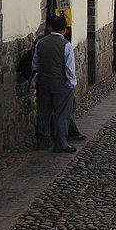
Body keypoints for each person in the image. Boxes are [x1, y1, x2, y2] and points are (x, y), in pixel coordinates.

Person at [32, 15, 77, 153]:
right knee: (61, 114)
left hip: (44, 81)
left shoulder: (40, 43)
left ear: (50, 27)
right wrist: (71, 83)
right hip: (60, 83)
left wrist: (35, 80)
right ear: (64, 30)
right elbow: (69, 68)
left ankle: (42, 140)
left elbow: (35, 64)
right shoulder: (66, 45)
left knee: (43, 112)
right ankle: (60, 142)